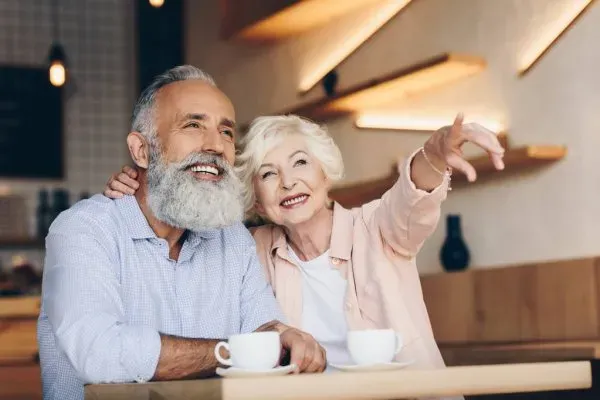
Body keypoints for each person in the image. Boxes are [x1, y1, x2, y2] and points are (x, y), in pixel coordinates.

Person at [106, 106, 504, 370]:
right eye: (268, 173)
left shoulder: (376, 227)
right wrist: (142, 188)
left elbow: (411, 199)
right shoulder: (249, 250)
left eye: (300, 162)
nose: (288, 181)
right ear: (257, 202)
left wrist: (433, 155)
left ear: (324, 174)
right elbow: (183, 236)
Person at [37, 66, 326, 400]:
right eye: (193, 125)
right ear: (142, 151)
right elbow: (99, 354)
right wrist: (235, 352)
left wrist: (285, 336)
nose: (217, 145)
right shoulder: (84, 230)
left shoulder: (232, 239)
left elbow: (265, 326)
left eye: (227, 132)